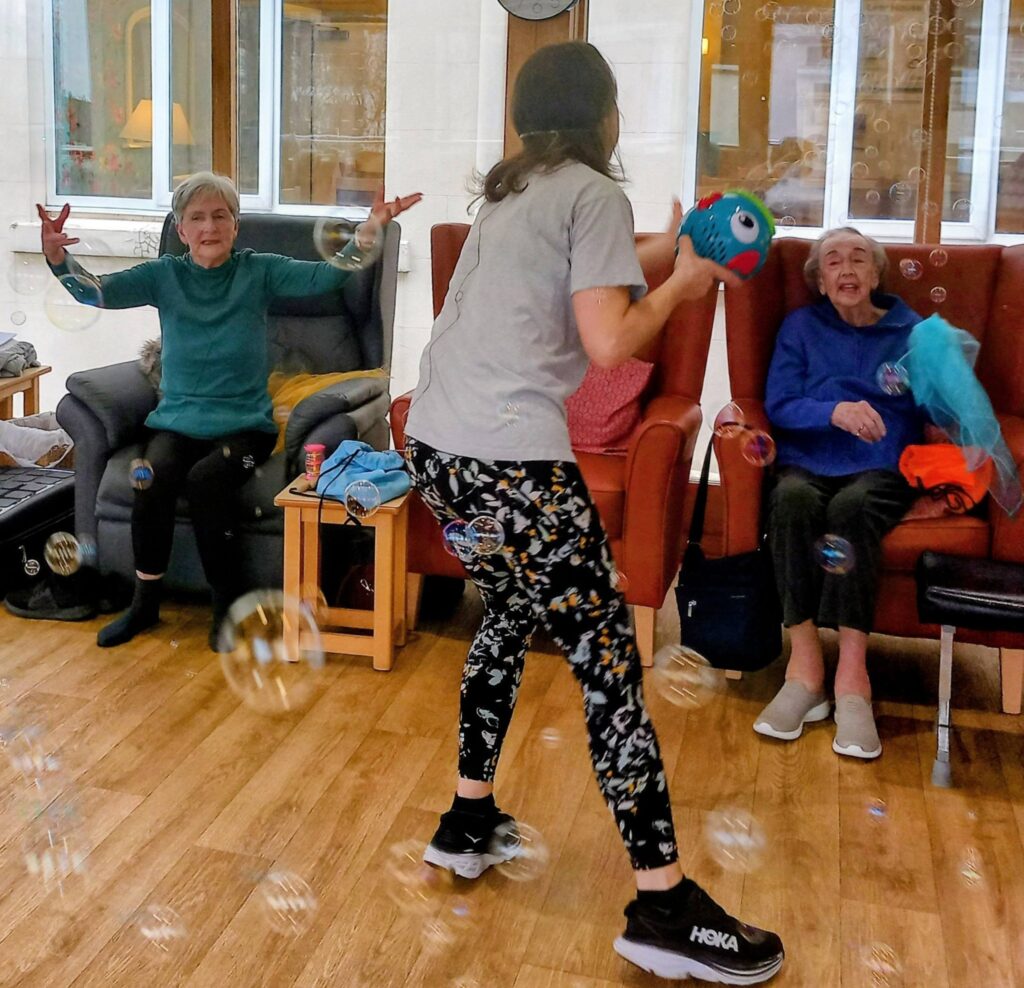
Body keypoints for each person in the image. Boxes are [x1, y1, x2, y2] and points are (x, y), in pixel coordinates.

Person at [403, 41, 784, 985]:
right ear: (604, 115)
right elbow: (610, 336)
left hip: (442, 451)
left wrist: (681, 249)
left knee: (507, 616)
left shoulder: (512, 193)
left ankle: (467, 819)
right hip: (512, 463)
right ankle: (662, 905)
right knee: (608, 662)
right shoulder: (593, 193)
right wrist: (690, 284)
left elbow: (599, 266)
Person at [37, 173, 421, 650]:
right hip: (177, 423)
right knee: (153, 479)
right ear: (181, 231)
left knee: (206, 481)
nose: (209, 226)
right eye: (197, 218)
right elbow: (95, 291)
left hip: (246, 428)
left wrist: (370, 229)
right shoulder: (165, 275)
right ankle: (145, 602)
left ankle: (226, 607)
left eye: (220, 216)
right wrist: (57, 256)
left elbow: (326, 276)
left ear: (235, 227)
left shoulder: (258, 270)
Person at [754, 227, 925, 759]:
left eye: (859, 260)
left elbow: (934, 408)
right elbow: (779, 403)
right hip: (808, 456)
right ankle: (804, 671)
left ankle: (853, 680)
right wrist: (833, 412)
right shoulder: (800, 327)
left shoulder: (912, 331)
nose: (846, 269)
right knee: (791, 499)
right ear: (820, 281)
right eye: (833, 261)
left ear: (876, 275)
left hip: (881, 465)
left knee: (851, 509)